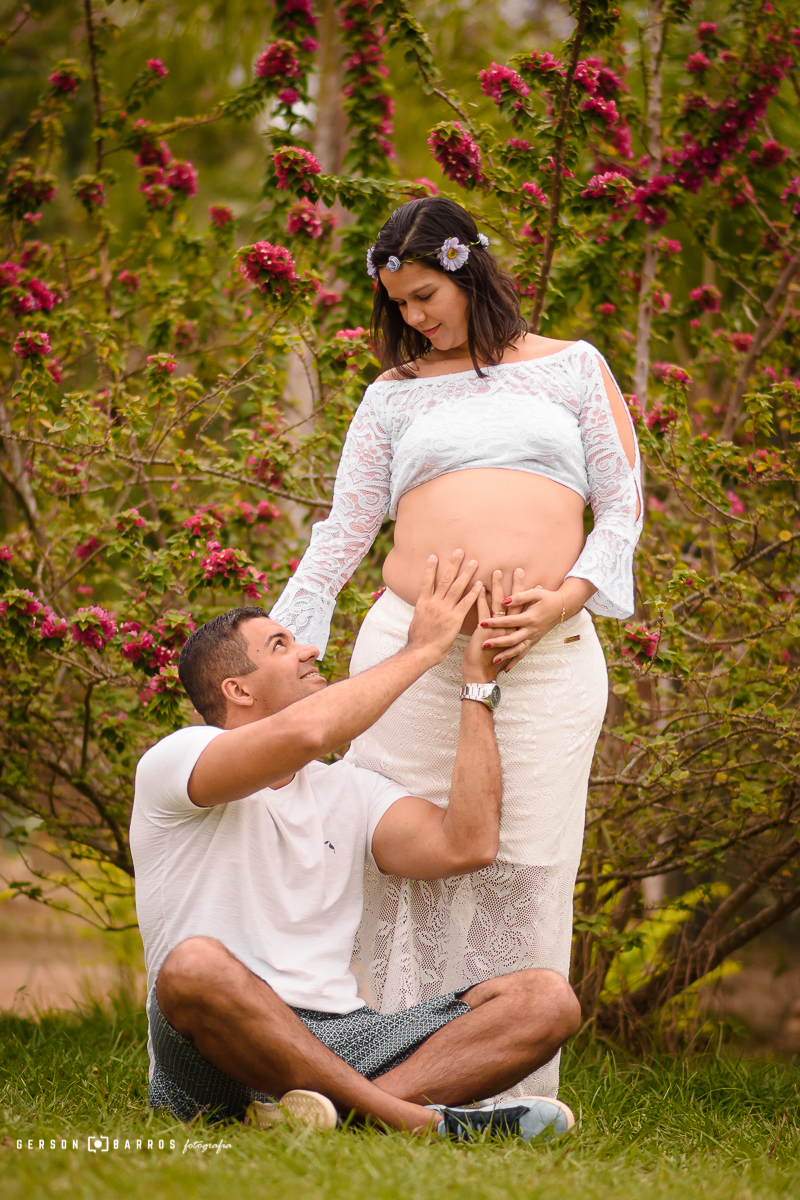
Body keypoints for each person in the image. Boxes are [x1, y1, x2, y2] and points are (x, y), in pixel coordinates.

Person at [270, 195, 642, 1101]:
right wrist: (282, 651)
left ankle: (499, 1085)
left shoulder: (572, 367)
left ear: (469, 270)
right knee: (399, 853)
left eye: (425, 294)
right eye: (398, 303)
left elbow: (623, 508)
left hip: (547, 657)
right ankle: (381, 1068)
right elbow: (343, 531)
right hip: (410, 656)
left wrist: (560, 603)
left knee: (526, 859)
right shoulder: (392, 397)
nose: (414, 316)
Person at [130, 553, 581, 1137]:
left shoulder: (349, 789)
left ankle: (325, 1117)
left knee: (546, 1000)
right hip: (220, 1042)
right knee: (193, 966)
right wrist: (421, 651)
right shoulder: (178, 759)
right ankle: (411, 1120)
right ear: (236, 688)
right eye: (280, 645)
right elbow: (310, 731)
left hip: (346, 1033)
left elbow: (466, 844)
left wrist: (477, 688)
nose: (309, 650)